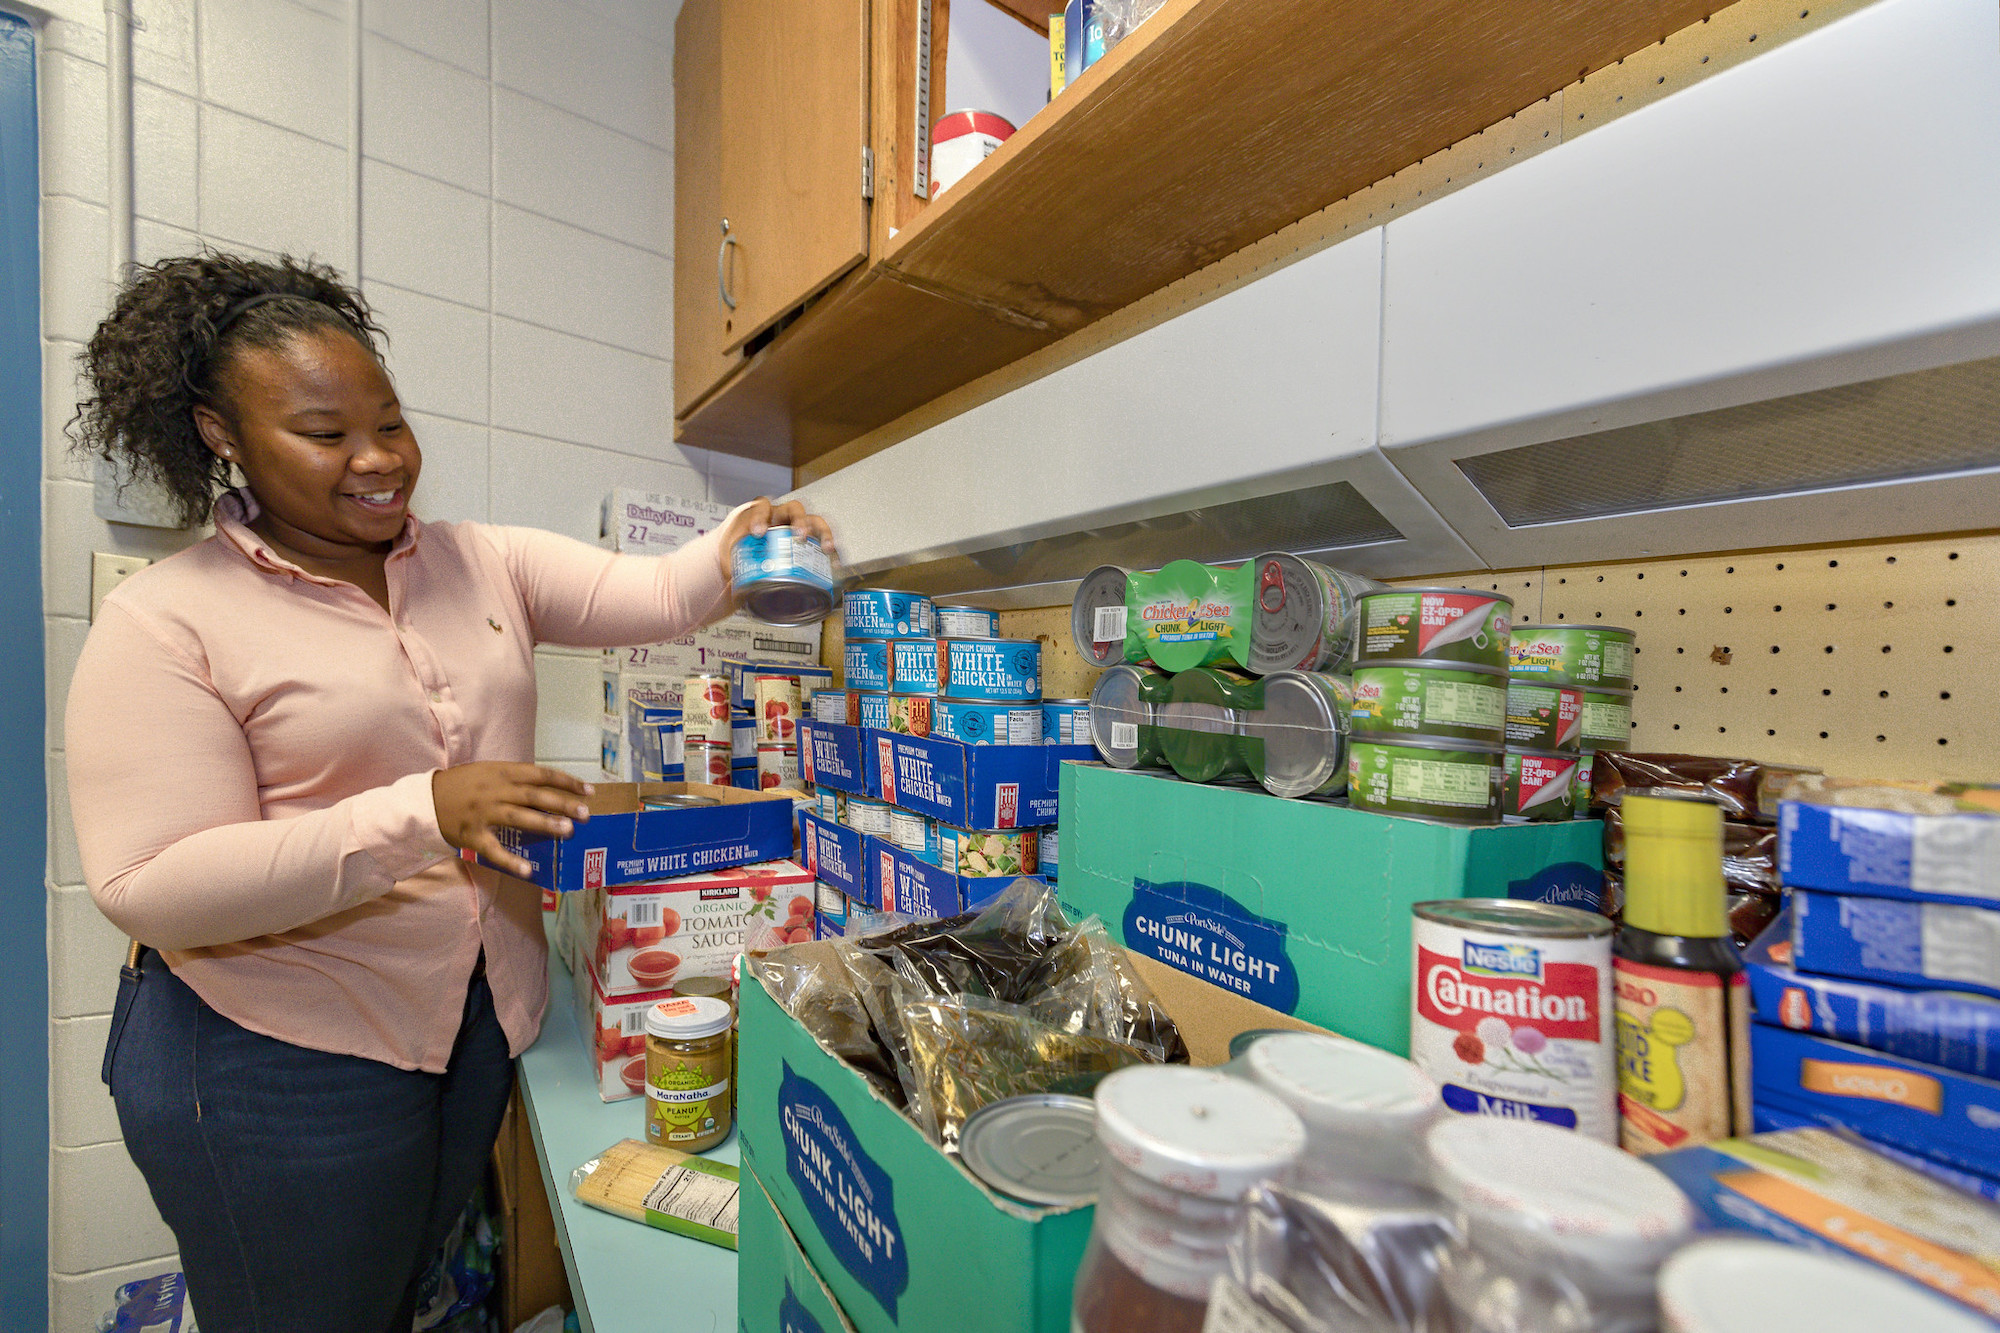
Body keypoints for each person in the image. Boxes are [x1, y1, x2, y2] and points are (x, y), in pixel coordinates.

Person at [63, 251, 836, 1331]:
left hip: (473, 1019)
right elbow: (150, 881)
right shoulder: (167, 619)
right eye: (325, 435)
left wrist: (743, 540)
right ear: (219, 435)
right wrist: (422, 813)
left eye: (389, 422)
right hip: (273, 1058)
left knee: (400, 1290)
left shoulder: (482, 564)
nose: (377, 459)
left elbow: (659, 589)